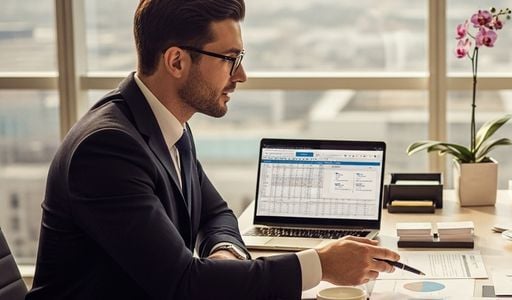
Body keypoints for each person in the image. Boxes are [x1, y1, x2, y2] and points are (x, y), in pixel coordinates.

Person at [27, 0, 399, 299]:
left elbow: (215, 213)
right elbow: (183, 284)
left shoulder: (167, 123)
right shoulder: (107, 149)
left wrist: (226, 257)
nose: (241, 75)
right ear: (176, 61)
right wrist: (320, 264)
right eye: (230, 59)